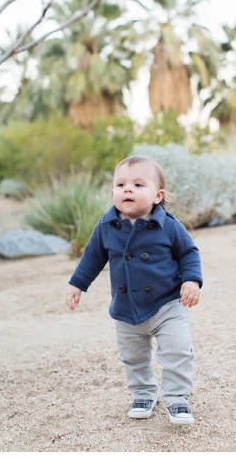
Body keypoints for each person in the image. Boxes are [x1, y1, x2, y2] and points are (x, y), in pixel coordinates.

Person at [64, 156, 204, 425]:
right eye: (120, 184)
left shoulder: (170, 226)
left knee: (177, 351)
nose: (127, 189)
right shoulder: (106, 226)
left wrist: (191, 281)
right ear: (113, 192)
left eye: (138, 184)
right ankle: (142, 393)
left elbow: (188, 253)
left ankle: (177, 399)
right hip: (126, 307)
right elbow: (92, 257)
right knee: (133, 356)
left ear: (157, 195)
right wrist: (77, 284)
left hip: (167, 304)